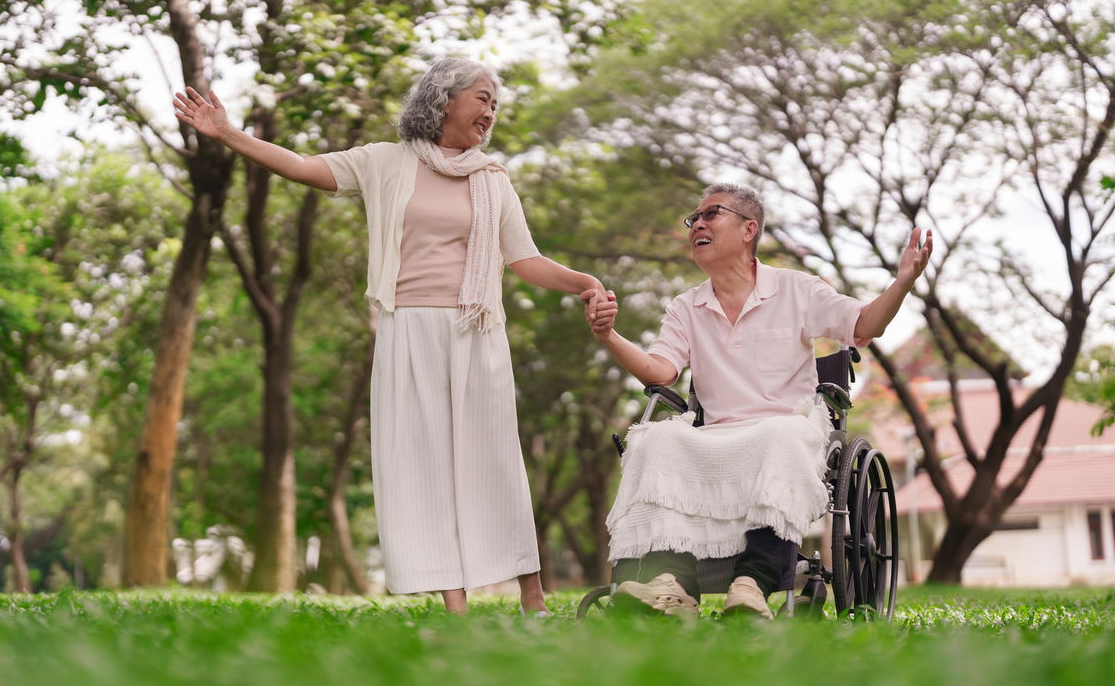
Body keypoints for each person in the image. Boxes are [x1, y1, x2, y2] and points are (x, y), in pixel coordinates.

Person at [173, 58, 608, 614]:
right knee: (425, 464)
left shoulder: (493, 180)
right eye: (482, 98)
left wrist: (583, 282)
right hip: (410, 330)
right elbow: (303, 167)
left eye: (495, 104)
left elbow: (524, 260)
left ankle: (533, 600)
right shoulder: (385, 162)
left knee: (495, 459)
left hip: (477, 330)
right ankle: (455, 607)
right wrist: (228, 134)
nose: (491, 112)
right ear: (444, 99)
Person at [583, 183, 931, 619]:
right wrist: (608, 336)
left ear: (749, 229)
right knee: (656, 439)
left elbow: (865, 324)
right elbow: (659, 372)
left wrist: (903, 281)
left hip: (785, 427)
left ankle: (752, 584)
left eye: (711, 214)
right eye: (694, 218)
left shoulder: (797, 289)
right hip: (716, 433)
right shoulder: (686, 307)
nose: (697, 224)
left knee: (780, 433)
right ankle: (672, 586)